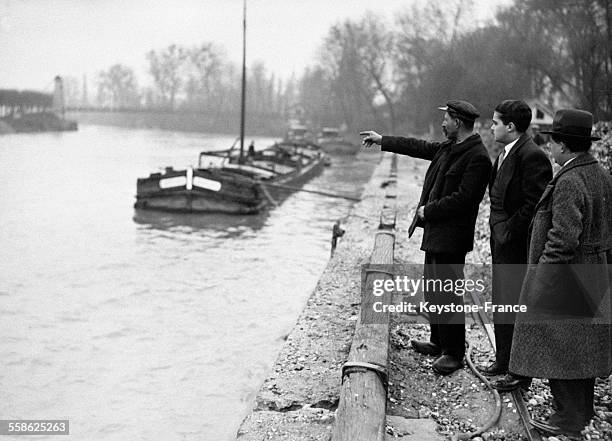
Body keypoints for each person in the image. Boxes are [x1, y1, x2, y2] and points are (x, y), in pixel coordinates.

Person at [361, 100, 492, 375]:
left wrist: (428, 210)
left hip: (452, 237)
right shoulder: (448, 147)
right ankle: (438, 341)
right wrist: (382, 140)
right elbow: (418, 147)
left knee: (448, 293)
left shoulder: (477, 157)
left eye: (447, 120)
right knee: (434, 290)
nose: (443, 124)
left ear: (458, 121)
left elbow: (465, 200)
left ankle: (454, 353)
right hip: (436, 233)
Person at [509, 109, 612, 439]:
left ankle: (568, 418)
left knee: (560, 347)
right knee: (584, 347)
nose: (549, 149)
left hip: (566, 274)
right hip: (595, 270)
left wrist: (542, 278)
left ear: (564, 147)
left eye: (552, 143)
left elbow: (563, 238)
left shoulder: (569, 180)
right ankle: (583, 412)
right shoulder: (600, 174)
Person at [482, 100, 552, 391]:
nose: (491, 126)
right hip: (503, 244)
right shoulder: (506, 152)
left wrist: (508, 232)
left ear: (511, 127)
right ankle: (504, 360)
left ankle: (521, 373)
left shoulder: (531, 156)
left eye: (495, 122)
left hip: (518, 247)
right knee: (503, 300)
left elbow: (534, 205)